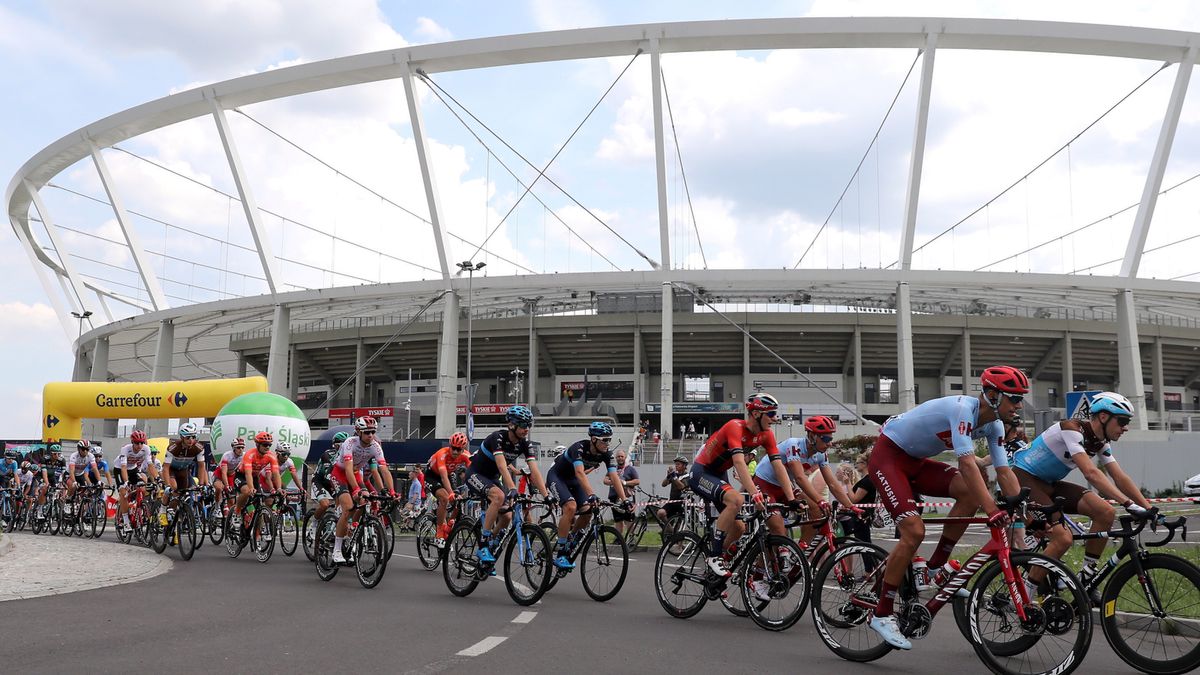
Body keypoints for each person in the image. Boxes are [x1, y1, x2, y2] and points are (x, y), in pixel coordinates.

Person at [866, 365, 1026, 650]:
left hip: (916, 462)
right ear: (992, 395)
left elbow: (1004, 471)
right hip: (888, 457)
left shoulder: (995, 425)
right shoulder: (963, 410)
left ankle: (935, 568)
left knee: (969, 494)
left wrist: (1026, 508)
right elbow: (966, 464)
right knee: (914, 532)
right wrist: (992, 510)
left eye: (1020, 398)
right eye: (1014, 398)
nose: (1019, 405)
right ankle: (882, 612)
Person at [1008, 392, 1152, 602]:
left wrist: (1147, 508)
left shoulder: (1099, 442)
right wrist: (1129, 504)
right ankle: (1023, 597)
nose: (1125, 427)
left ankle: (1086, 578)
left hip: (1049, 484)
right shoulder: (1072, 429)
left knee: (1105, 512)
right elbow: (1090, 473)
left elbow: (1119, 477)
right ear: (1103, 417)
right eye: (1122, 421)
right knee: (1062, 539)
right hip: (1023, 481)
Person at [689, 393, 799, 578]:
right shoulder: (735, 427)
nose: (774, 418)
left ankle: (717, 565)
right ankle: (714, 557)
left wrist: (791, 498)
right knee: (736, 499)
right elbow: (739, 463)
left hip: (718, 474)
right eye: (771, 414)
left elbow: (778, 466)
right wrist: (754, 493)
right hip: (701, 472)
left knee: (739, 528)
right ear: (756, 414)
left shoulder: (766, 435)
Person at [464, 405, 550, 565]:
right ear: (512, 425)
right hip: (476, 474)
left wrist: (546, 496)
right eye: (524, 425)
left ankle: (490, 545)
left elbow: (534, 470)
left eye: (529, 425)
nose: (527, 429)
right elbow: (502, 466)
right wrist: (512, 488)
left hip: (493, 478)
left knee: (507, 516)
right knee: (498, 496)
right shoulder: (497, 437)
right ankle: (483, 544)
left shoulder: (525, 444)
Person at [752, 415, 860, 539]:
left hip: (785, 486)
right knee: (779, 531)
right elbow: (799, 477)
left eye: (831, 439)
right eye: (825, 439)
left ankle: (801, 551)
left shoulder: (821, 455)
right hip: (764, 483)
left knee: (816, 511)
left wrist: (850, 506)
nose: (829, 443)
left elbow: (832, 484)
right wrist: (821, 500)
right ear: (812, 436)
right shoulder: (794, 445)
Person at [547, 422, 630, 569]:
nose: (607, 443)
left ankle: (570, 538)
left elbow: (614, 477)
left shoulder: (607, 454)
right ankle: (560, 552)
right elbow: (579, 472)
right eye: (604, 440)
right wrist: (591, 494)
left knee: (588, 511)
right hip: (558, 477)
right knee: (571, 507)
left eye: (609, 440)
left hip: (573, 480)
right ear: (593, 439)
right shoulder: (578, 448)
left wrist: (624, 500)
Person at [330, 417, 396, 564]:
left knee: (365, 499)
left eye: (373, 432)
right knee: (347, 507)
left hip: (355, 474)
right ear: (359, 432)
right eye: (367, 432)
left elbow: (383, 470)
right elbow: (347, 470)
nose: (371, 435)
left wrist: (391, 491)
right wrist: (356, 490)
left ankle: (353, 529)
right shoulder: (350, 443)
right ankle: (337, 550)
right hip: (340, 473)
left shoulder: (375, 446)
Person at [425, 432, 472, 548]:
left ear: (463, 449)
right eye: (453, 448)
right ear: (450, 446)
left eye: (458, 449)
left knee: (457, 500)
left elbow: (473, 472)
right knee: (445, 497)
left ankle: (448, 526)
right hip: (433, 476)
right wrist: (450, 493)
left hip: (450, 475)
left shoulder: (466, 455)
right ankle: (440, 531)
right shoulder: (442, 454)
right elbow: (443, 477)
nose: (455, 452)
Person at [160, 422, 209, 526]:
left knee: (182, 494)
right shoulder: (173, 447)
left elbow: (201, 466)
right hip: (171, 470)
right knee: (173, 488)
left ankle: (175, 514)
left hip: (183, 471)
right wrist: (167, 485)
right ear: (182, 437)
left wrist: (202, 484)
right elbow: (165, 467)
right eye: (188, 437)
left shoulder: (199, 447)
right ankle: (162, 510)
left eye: (193, 437)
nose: (191, 440)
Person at [114, 430, 158, 530]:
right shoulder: (125, 449)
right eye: (137, 443)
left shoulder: (146, 449)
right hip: (120, 469)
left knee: (142, 488)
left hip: (133, 469)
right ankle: (125, 521)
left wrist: (157, 478)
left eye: (142, 442)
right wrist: (126, 482)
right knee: (123, 491)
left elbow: (150, 465)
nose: (139, 445)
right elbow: (124, 467)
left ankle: (137, 506)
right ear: (132, 442)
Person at [310, 432, 348, 530]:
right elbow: (328, 474)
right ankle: (314, 523)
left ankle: (334, 525)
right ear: (335, 445)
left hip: (332, 481)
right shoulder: (328, 454)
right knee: (325, 504)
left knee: (342, 504)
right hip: (320, 480)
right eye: (341, 444)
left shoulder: (347, 456)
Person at [604, 449, 640, 537]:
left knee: (629, 519)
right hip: (614, 497)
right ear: (616, 458)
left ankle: (631, 538)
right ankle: (618, 539)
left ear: (625, 457)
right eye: (618, 457)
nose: (620, 458)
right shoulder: (612, 469)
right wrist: (614, 482)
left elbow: (637, 481)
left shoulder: (630, 469)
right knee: (618, 520)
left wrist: (624, 483)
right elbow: (605, 480)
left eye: (622, 456)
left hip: (626, 497)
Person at [847, 452, 876, 543]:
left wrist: (847, 483)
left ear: (864, 464)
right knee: (863, 542)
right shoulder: (866, 479)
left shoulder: (867, 481)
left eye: (858, 463)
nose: (856, 465)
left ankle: (871, 557)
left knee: (863, 543)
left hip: (862, 515)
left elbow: (854, 499)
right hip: (862, 515)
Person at [65, 439, 103, 508]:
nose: (85, 451)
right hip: (70, 474)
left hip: (80, 475)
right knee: (73, 486)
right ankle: (67, 501)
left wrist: (99, 481)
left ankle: (81, 507)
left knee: (86, 489)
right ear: (79, 449)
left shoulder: (91, 456)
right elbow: (71, 471)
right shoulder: (74, 456)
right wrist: (74, 481)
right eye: (83, 449)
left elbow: (95, 469)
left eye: (87, 449)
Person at [658, 455, 690, 535]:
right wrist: (668, 476)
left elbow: (681, 487)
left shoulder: (687, 476)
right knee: (660, 512)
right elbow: (663, 484)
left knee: (680, 527)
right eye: (675, 464)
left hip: (682, 504)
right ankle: (670, 529)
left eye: (678, 464)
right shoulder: (674, 475)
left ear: (684, 466)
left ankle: (679, 545)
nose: (676, 466)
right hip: (672, 501)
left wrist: (674, 477)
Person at [214, 437, 245, 510]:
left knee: (231, 500)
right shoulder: (227, 455)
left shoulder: (244, 456)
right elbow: (223, 473)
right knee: (219, 488)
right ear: (234, 448)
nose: (241, 449)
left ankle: (229, 517)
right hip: (220, 473)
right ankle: (217, 506)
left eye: (242, 447)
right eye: (238, 447)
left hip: (231, 475)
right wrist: (227, 485)